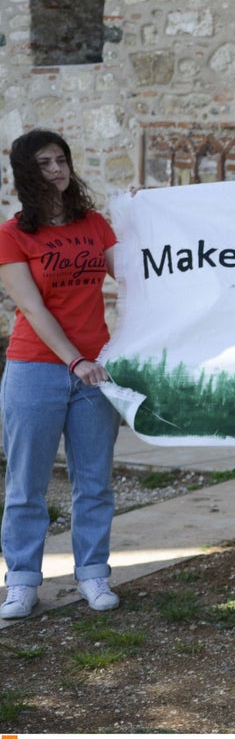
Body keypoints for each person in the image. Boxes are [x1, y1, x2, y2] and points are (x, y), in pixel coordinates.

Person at [1, 129, 123, 620]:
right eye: (44, 163)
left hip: (96, 372)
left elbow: (138, 273)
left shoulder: (94, 224)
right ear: (26, 174)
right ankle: (23, 582)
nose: (56, 170)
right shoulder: (12, 235)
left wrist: (138, 217)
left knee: (94, 482)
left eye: (61, 160)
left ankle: (94, 574)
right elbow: (32, 309)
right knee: (26, 484)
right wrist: (74, 360)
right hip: (36, 369)